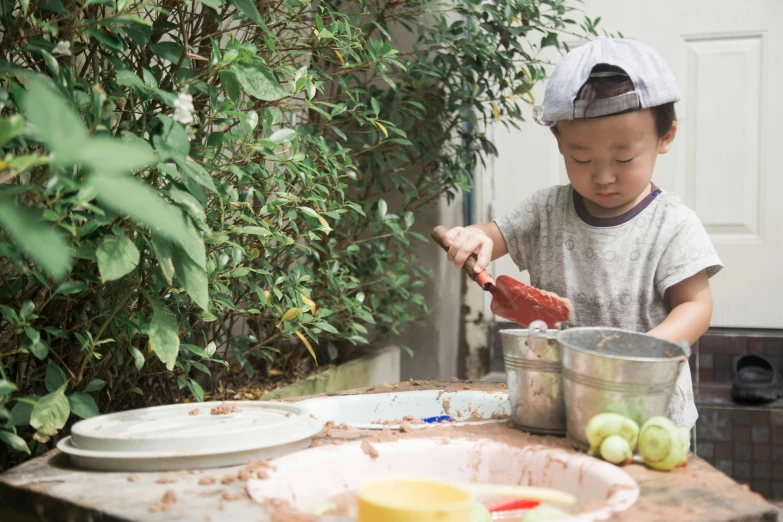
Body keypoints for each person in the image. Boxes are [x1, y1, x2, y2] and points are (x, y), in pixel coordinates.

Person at [442, 37, 723, 429]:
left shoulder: (672, 224)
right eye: (582, 158)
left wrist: (640, 351)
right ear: (560, 143)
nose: (603, 175)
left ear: (665, 137)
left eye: (624, 158)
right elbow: (492, 235)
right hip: (559, 400)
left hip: (648, 409)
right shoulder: (544, 211)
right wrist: (474, 237)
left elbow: (696, 306)